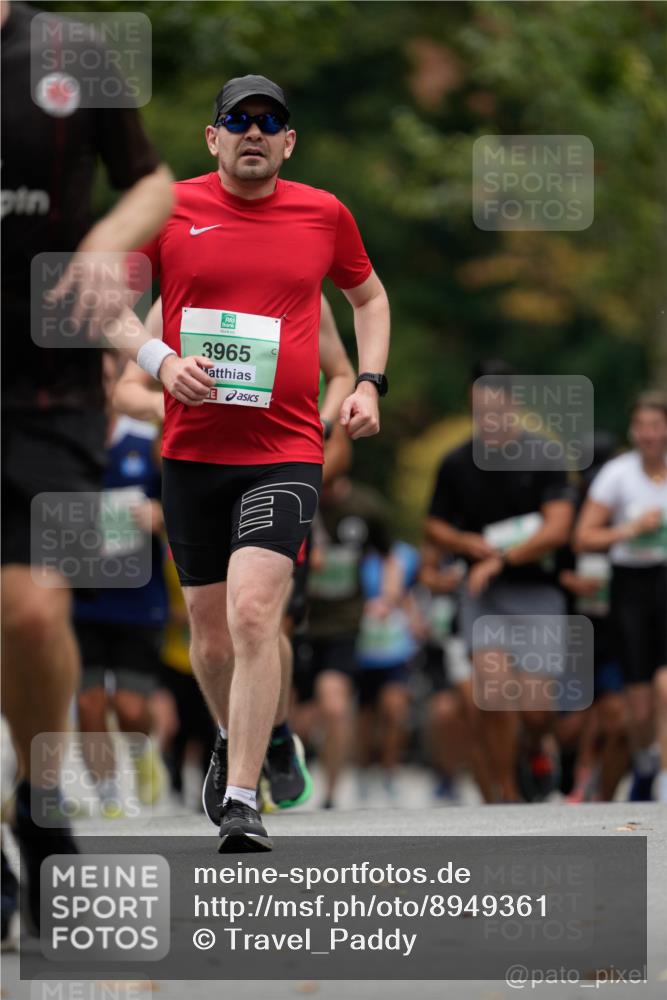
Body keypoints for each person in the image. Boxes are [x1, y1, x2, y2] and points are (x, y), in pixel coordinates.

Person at [1, 0, 172, 937]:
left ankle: (40, 800)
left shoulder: (71, 54)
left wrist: (108, 240)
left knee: (30, 608)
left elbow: (152, 182)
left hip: (44, 378)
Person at [425, 361, 576, 802]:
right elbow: (434, 527)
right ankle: (507, 795)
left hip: (537, 593)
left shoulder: (545, 456)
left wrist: (504, 559)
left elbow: (557, 528)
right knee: (493, 694)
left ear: (513, 405)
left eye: (495, 409)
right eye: (478, 410)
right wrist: (466, 543)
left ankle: (533, 746)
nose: (487, 420)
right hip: (483, 595)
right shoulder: (455, 463)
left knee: (534, 710)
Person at [73, 353, 168, 819]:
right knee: (89, 702)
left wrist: (159, 516)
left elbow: (187, 505)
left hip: (138, 595)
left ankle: (142, 752)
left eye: (106, 377)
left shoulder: (146, 441)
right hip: (80, 595)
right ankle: (108, 793)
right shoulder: (64, 447)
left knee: (129, 707)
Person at [575, 392, 667, 801]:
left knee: (666, 684)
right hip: (630, 584)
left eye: (657, 425)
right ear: (633, 430)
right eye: (642, 426)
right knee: (641, 702)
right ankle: (646, 761)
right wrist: (629, 530)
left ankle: (663, 777)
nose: (649, 434)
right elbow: (583, 536)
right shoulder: (617, 474)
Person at [296, 473, 400, 808]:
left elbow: (390, 557)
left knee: (335, 704)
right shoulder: (292, 494)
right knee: (298, 717)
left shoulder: (365, 506)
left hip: (343, 624)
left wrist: (387, 597)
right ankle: (288, 779)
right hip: (296, 622)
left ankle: (330, 792)